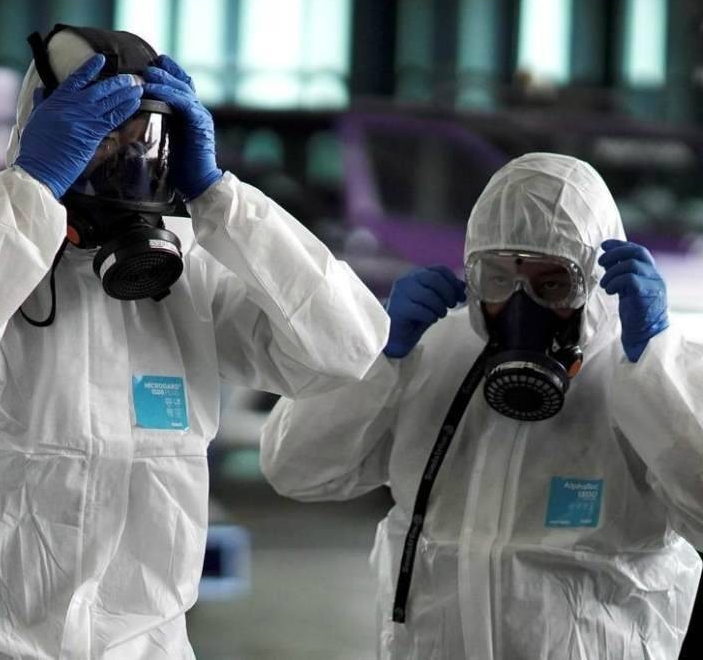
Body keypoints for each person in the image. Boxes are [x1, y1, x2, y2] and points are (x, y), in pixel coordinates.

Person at [0, 24, 388, 658]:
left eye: (144, 138)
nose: (124, 161)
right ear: (42, 127)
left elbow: (346, 348)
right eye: (101, 134)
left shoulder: (187, 272)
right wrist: (33, 192)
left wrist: (219, 197)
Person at [261, 152, 703, 659]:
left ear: (592, 282)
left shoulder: (645, 372)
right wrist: (378, 357)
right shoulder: (430, 353)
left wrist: (657, 369)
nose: (520, 305)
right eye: (497, 278)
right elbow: (294, 469)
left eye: (552, 283)